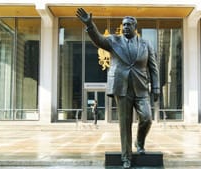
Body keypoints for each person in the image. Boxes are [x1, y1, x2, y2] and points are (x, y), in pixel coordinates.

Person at [76, 8, 160, 169]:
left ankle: (139, 142)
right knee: (125, 123)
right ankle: (126, 157)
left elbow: (153, 67)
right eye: (124, 25)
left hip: (141, 87)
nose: (126, 27)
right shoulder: (114, 41)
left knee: (147, 118)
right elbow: (99, 40)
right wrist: (90, 25)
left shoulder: (146, 44)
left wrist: (156, 86)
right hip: (121, 87)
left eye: (129, 25)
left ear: (135, 27)